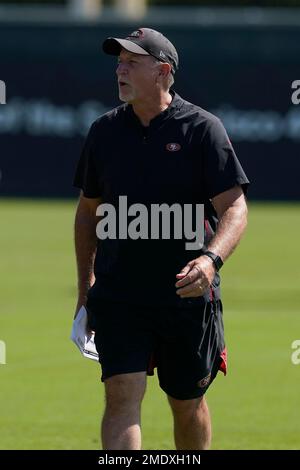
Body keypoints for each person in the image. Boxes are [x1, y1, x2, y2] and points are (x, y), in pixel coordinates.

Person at [73, 27, 249, 451]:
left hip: (185, 296)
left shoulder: (203, 129)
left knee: (186, 403)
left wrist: (211, 260)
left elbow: (235, 208)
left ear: (163, 71)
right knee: (121, 397)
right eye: (119, 61)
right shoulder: (104, 132)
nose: (120, 69)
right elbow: (87, 213)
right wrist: (86, 291)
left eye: (132, 62)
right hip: (120, 294)